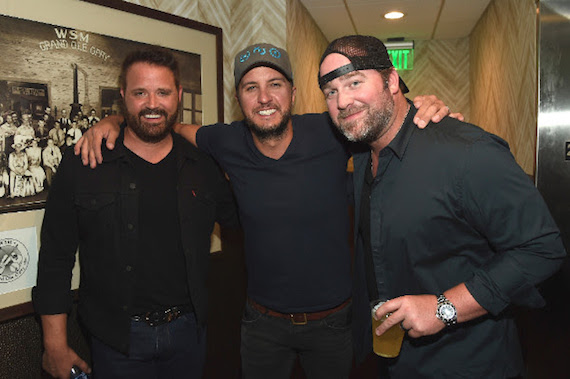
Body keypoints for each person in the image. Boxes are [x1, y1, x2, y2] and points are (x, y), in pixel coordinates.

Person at [76, 43, 455, 379]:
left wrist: (423, 108)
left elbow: (383, 117)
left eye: (275, 84)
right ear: (238, 98)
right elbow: (171, 124)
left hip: (334, 324)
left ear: (292, 92)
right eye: (250, 87)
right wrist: (113, 120)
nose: (264, 98)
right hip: (261, 326)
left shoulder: (333, 130)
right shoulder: (225, 140)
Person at [318, 35, 567, 378]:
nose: (342, 100)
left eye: (354, 82)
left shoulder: (467, 152)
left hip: (468, 363)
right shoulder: (361, 158)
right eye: (330, 91)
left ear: (392, 80)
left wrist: (444, 307)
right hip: (392, 361)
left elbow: (542, 248)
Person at [32, 47, 238, 379]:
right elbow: (56, 255)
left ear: (179, 96)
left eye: (163, 92)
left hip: (190, 334)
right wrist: (55, 345)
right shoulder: (84, 162)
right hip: (116, 339)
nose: (153, 103)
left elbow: (243, 221)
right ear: (123, 97)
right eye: (140, 92)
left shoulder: (204, 165)